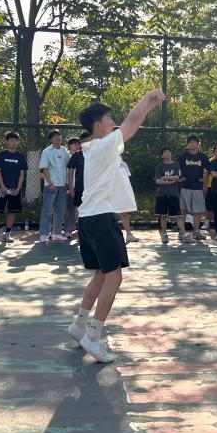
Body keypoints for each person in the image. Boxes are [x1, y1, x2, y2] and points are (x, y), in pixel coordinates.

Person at [66, 88, 165, 363]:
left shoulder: (97, 148)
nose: (114, 123)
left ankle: (79, 324)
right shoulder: (101, 146)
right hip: (101, 218)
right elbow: (131, 122)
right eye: (109, 119)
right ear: (97, 126)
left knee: (101, 274)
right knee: (114, 277)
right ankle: (93, 336)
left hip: (90, 218)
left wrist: (147, 107)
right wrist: (147, 99)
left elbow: (131, 125)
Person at [0, 131, 26, 243]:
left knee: (12, 211)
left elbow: (22, 174)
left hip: (15, 190)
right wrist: (3, 187)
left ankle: (7, 234)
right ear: (7, 141)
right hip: (2, 189)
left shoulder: (20, 157)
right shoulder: (0, 155)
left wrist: (18, 188)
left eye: (15, 141)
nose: (13, 143)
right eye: (11, 140)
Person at [39, 129, 70, 243]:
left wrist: (67, 182)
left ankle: (56, 233)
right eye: (55, 136)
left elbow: (69, 166)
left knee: (60, 210)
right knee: (47, 210)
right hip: (50, 185)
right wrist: (50, 183)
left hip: (63, 186)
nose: (58, 138)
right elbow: (44, 169)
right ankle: (43, 234)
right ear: (51, 139)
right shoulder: (46, 151)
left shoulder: (64, 150)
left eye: (59, 136)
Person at [178, 136, 209, 241]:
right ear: (188, 144)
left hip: (198, 188)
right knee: (183, 210)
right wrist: (179, 178)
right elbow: (176, 168)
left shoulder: (203, 157)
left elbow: (208, 170)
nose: (192, 144)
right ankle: (182, 232)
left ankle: (196, 232)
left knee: (197, 211)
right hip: (185, 187)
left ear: (198, 144)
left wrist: (204, 182)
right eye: (190, 142)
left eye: (194, 142)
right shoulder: (183, 156)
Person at [154, 147, 187, 244]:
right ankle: (164, 235)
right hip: (162, 195)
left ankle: (184, 234)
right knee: (163, 216)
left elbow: (177, 177)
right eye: (165, 152)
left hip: (173, 194)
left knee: (178, 216)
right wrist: (170, 181)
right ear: (162, 155)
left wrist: (165, 177)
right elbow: (158, 180)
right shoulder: (159, 166)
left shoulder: (176, 164)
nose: (168, 154)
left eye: (169, 152)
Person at [65, 137, 82, 241]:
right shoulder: (65, 155)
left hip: (77, 188)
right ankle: (58, 231)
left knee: (75, 211)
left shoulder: (82, 156)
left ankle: (71, 231)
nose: (78, 146)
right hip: (64, 186)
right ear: (70, 145)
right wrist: (66, 184)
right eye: (75, 144)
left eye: (78, 144)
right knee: (62, 210)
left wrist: (72, 188)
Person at [117, 159, 138, 243]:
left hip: (122, 191)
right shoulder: (106, 160)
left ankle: (129, 235)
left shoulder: (122, 162)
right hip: (110, 191)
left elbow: (126, 177)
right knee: (107, 215)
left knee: (124, 213)